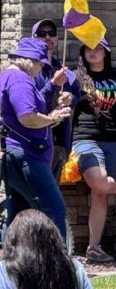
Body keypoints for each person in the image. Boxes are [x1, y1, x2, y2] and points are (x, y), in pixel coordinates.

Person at [72, 39, 116, 263]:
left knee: (100, 194)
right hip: (85, 139)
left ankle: (94, 248)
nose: (93, 52)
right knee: (99, 181)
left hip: (115, 142)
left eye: (98, 48)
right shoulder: (75, 78)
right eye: (89, 48)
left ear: (106, 52)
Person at [0, 39, 72, 238]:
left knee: (17, 215)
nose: (41, 68)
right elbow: (28, 117)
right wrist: (52, 117)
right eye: (41, 63)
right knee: (54, 210)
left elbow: (28, 105)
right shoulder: (19, 79)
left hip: (17, 155)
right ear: (29, 60)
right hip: (27, 156)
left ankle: (8, 266)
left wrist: (52, 92)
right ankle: (58, 265)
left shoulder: (8, 76)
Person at [30, 19, 81, 182]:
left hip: (58, 143)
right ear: (33, 39)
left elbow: (76, 96)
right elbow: (31, 103)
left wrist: (70, 98)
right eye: (41, 34)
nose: (47, 37)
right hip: (35, 143)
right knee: (35, 198)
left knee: (50, 200)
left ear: (57, 39)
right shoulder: (29, 70)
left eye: (51, 34)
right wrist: (52, 85)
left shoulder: (63, 69)